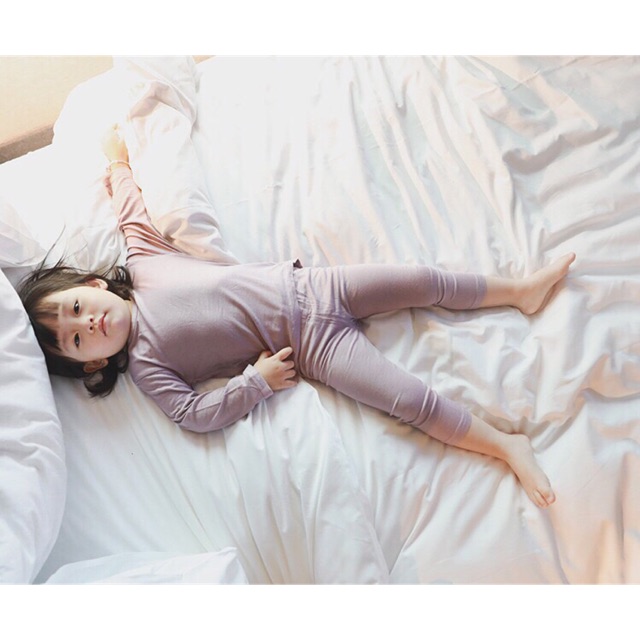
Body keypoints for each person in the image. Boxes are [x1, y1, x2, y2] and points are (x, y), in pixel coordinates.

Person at [19, 128, 576, 509]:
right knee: (407, 400)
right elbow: (192, 414)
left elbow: (131, 214)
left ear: (93, 285)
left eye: (75, 309)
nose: (85, 326)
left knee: (422, 280)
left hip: (312, 285)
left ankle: (519, 291)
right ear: (91, 366)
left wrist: (117, 162)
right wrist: (255, 383)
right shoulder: (147, 365)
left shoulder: (144, 263)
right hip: (311, 347)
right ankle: (506, 446)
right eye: (75, 341)